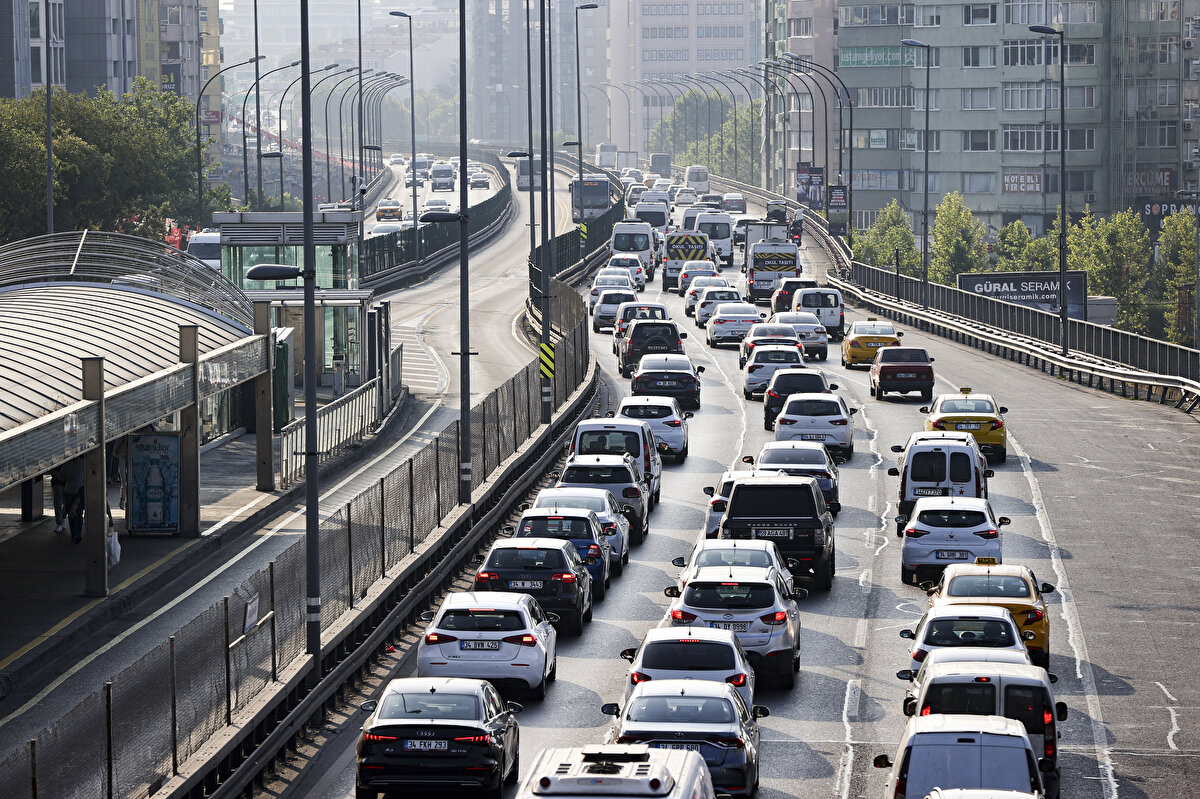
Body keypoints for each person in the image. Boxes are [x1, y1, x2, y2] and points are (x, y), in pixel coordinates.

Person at [61, 457, 86, 544]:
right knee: (70, 513)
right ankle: (74, 533)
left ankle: (77, 534)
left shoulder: (83, 462)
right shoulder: (67, 463)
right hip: (68, 491)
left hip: (79, 491)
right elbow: (62, 476)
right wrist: (67, 478)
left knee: (77, 513)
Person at [49, 464, 68, 533]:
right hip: (58, 481)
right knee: (58, 502)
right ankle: (60, 522)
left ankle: (61, 518)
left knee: (66, 502)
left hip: (65, 481)